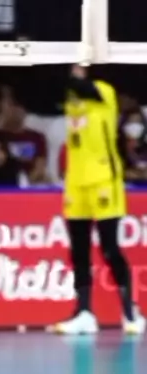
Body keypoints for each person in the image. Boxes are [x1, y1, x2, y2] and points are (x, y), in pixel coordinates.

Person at [52, 66, 145, 335]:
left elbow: (81, 85)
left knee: (109, 248)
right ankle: (83, 313)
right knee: (78, 251)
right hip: (76, 182)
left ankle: (130, 311)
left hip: (104, 179)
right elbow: (52, 92)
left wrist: (73, 70)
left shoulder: (104, 92)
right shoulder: (69, 96)